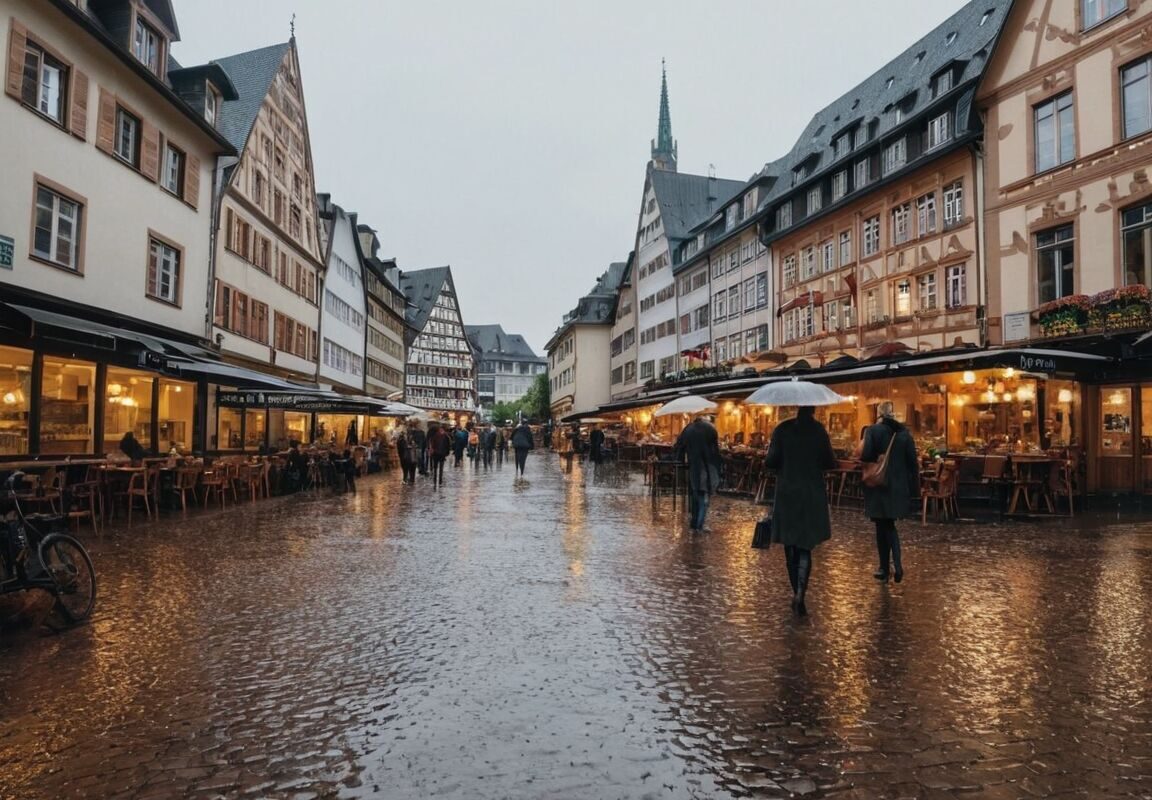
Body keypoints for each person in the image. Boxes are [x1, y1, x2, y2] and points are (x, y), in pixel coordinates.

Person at [764, 406, 838, 616]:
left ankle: (796, 590)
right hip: (811, 492)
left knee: (790, 544)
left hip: (788, 491)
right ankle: (800, 595)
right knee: (805, 545)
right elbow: (829, 462)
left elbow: (770, 461)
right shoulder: (819, 431)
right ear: (814, 409)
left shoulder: (782, 430)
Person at [860, 401, 919, 583]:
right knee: (889, 525)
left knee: (883, 526)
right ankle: (893, 566)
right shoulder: (904, 434)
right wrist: (914, 491)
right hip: (898, 488)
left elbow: (866, 456)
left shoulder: (872, 431)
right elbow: (913, 464)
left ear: (879, 414)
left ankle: (887, 567)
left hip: (879, 485)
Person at [673, 415, 723, 532]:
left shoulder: (688, 430)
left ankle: (695, 523)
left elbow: (679, 447)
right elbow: (715, 450)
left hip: (694, 466)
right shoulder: (711, 429)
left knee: (696, 494)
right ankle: (699, 524)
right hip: (708, 465)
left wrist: (679, 460)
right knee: (704, 495)